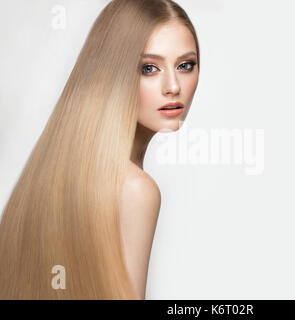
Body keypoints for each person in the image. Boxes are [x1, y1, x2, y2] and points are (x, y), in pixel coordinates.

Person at [0, 0, 200, 299]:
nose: (173, 86)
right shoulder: (135, 190)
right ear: (113, 73)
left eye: (185, 65)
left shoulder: (49, 174)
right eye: (149, 68)